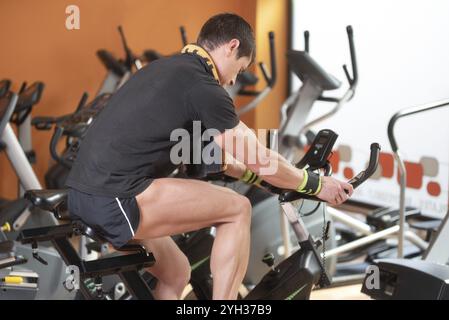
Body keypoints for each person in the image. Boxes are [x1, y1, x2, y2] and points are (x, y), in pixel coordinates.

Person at [66, 13, 353, 300]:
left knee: (177, 272)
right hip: (117, 198)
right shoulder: (202, 86)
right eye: (239, 70)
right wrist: (313, 183)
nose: (231, 82)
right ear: (231, 46)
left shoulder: (168, 71)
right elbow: (258, 156)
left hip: (85, 197)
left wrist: (267, 180)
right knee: (237, 209)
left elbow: (219, 160)